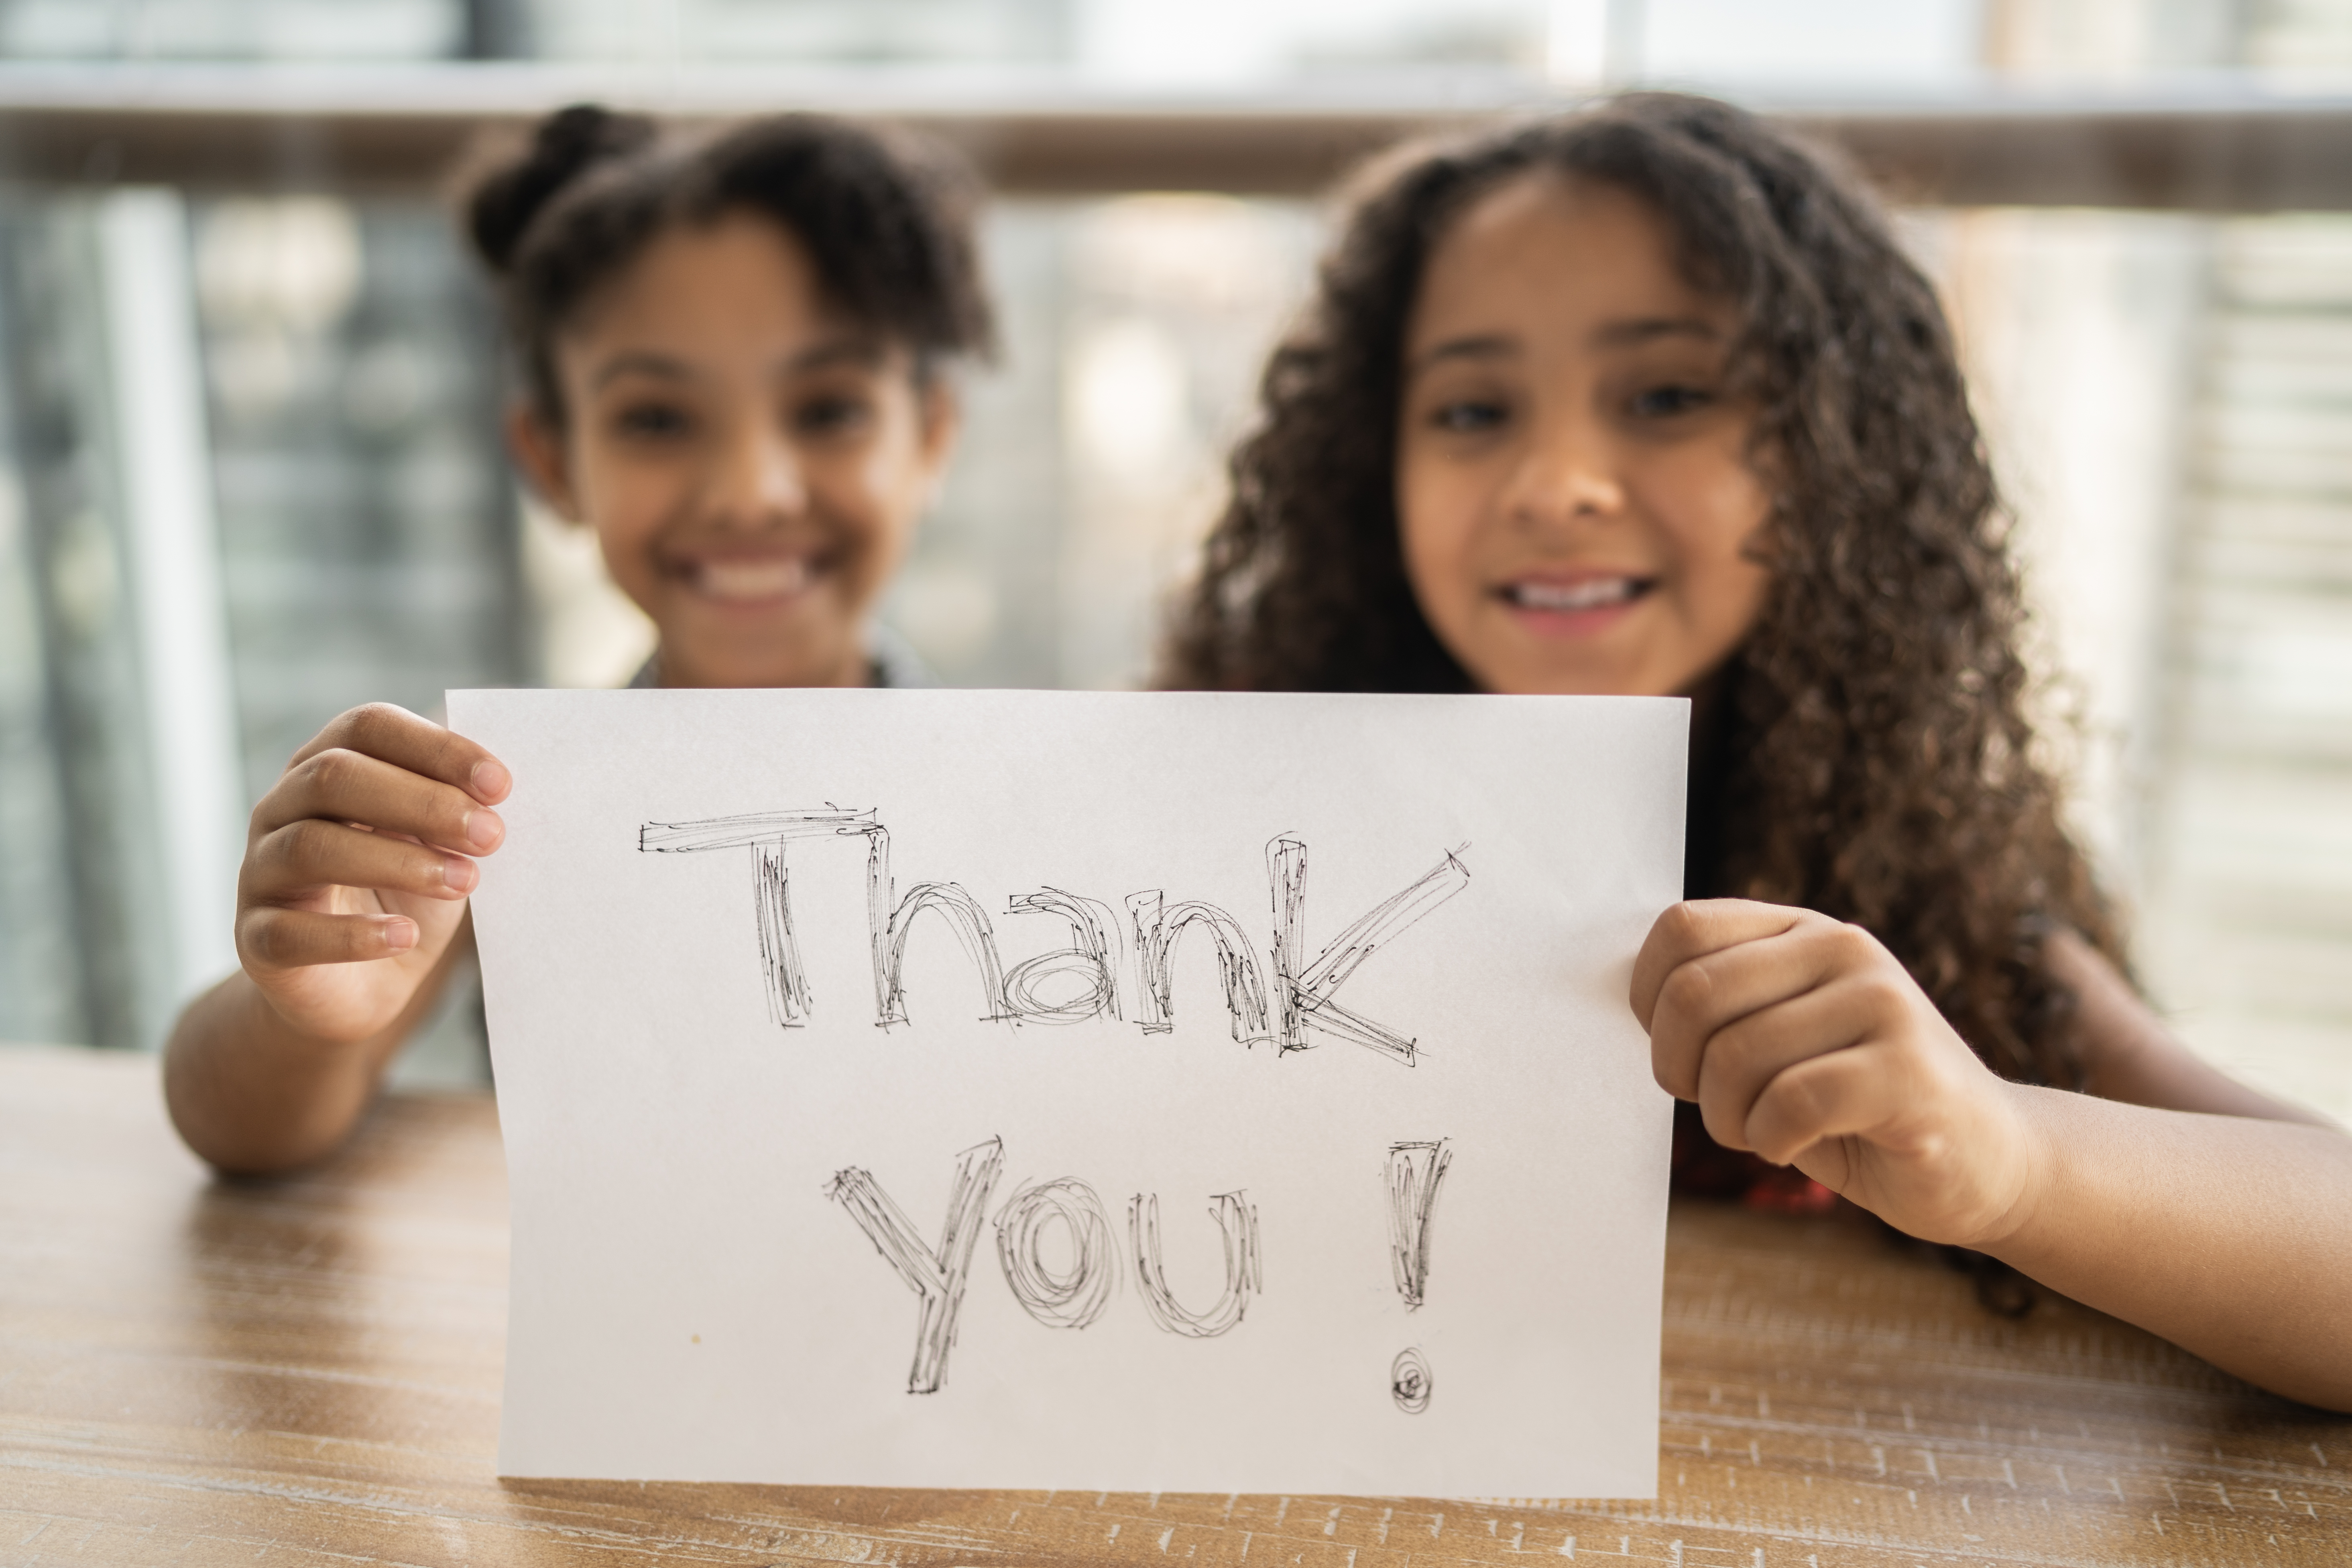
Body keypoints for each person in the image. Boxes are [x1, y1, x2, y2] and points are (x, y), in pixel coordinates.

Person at [1162, 93, 2352, 1410]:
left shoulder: (1915, 900)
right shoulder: (1216, 846)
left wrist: (2010, 1158)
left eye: (1665, 394)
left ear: (1830, 456)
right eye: (1470, 410)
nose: (1555, 480)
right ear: (1366, 471)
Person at [165, 106, 993, 1175]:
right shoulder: (510, 815)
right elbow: (228, 1120)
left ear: (930, 438)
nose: (751, 492)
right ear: (550, 461)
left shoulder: (1013, 809)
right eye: (656, 420)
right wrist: (308, 1004)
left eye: (828, 409)